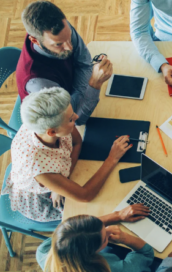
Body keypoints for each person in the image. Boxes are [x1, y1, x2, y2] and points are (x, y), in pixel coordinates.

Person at [1, 87, 131, 222]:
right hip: (43, 198)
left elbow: (77, 143)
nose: (76, 117)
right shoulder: (38, 167)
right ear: (52, 132)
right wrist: (112, 158)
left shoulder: (50, 123)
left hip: (56, 177)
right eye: (70, 119)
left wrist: (63, 180)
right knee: (98, 211)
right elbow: (85, 196)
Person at [17, 1, 113, 126]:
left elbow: (84, 63)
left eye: (69, 37)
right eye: (58, 44)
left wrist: (78, 97)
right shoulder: (38, 82)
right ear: (35, 40)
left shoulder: (61, 30)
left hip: (68, 92)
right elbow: (76, 118)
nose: (69, 47)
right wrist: (94, 83)